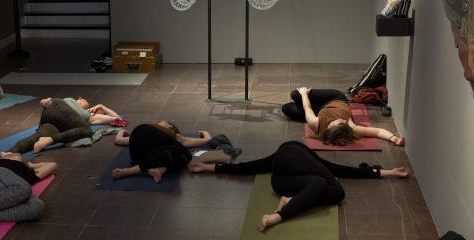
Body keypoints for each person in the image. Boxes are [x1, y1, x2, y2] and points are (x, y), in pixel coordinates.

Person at [189, 140, 410, 230]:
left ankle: (289, 201)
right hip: (283, 182)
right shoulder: (288, 159)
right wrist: (211, 168)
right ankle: (277, 216)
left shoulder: (303, 156)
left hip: (292, 174)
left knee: (326, 185)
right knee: (329, 187)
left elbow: (337, 169)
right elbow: (252, 166)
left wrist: (386, 172)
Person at [282, 87, 404, 147]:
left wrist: (304, 93)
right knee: (294, 95)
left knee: (287, 108)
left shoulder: (316, 123)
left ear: (329, 127)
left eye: (338, 122)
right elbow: (377, 132)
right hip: (336, 100)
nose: (342, 120)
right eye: (343, 122)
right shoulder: (351, 127)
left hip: (326, 105)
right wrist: (394, 138)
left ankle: (309, 99)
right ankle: (311, 99)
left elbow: (307, 108)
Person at [9, 97, 121, 154]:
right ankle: (50, 140)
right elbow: (49, 101)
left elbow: (119, 120)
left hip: (53, 121)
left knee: (36, 138)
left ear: (87, 107)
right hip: (54, 106)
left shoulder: (91, 115)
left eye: (84, 100)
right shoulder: (68, 101)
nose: (81, 98)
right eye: (80, 98)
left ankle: (10, 153)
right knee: (87, 131)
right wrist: (43, 102)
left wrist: (102, 106)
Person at [111, 122, 207, 183]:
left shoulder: (172, 135)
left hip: (138, 158)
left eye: (164, 122)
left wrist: (122, 131)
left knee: (172, 153)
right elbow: (205, 141)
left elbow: (118, 140)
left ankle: (159, 169)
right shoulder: (167, 138)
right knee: (185, 155)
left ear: (170, 127)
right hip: (140, 156)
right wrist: (206, 133)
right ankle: (160, 169)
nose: (161, 122)